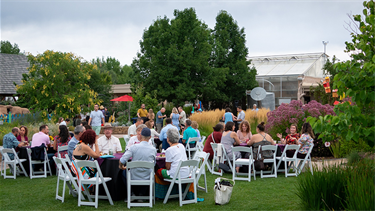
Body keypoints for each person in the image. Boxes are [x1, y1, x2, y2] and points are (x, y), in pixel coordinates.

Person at [119, 128, 156, 198]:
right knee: (150, 171)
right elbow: (153, 164)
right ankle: (141, 194)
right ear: (150, 137)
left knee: (123, 173)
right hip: (147, 176)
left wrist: (121, 166)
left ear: (141, 136)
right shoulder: (153, 149)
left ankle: (132, 193)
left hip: (134, 175)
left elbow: (122, 160)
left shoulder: (133, 147)